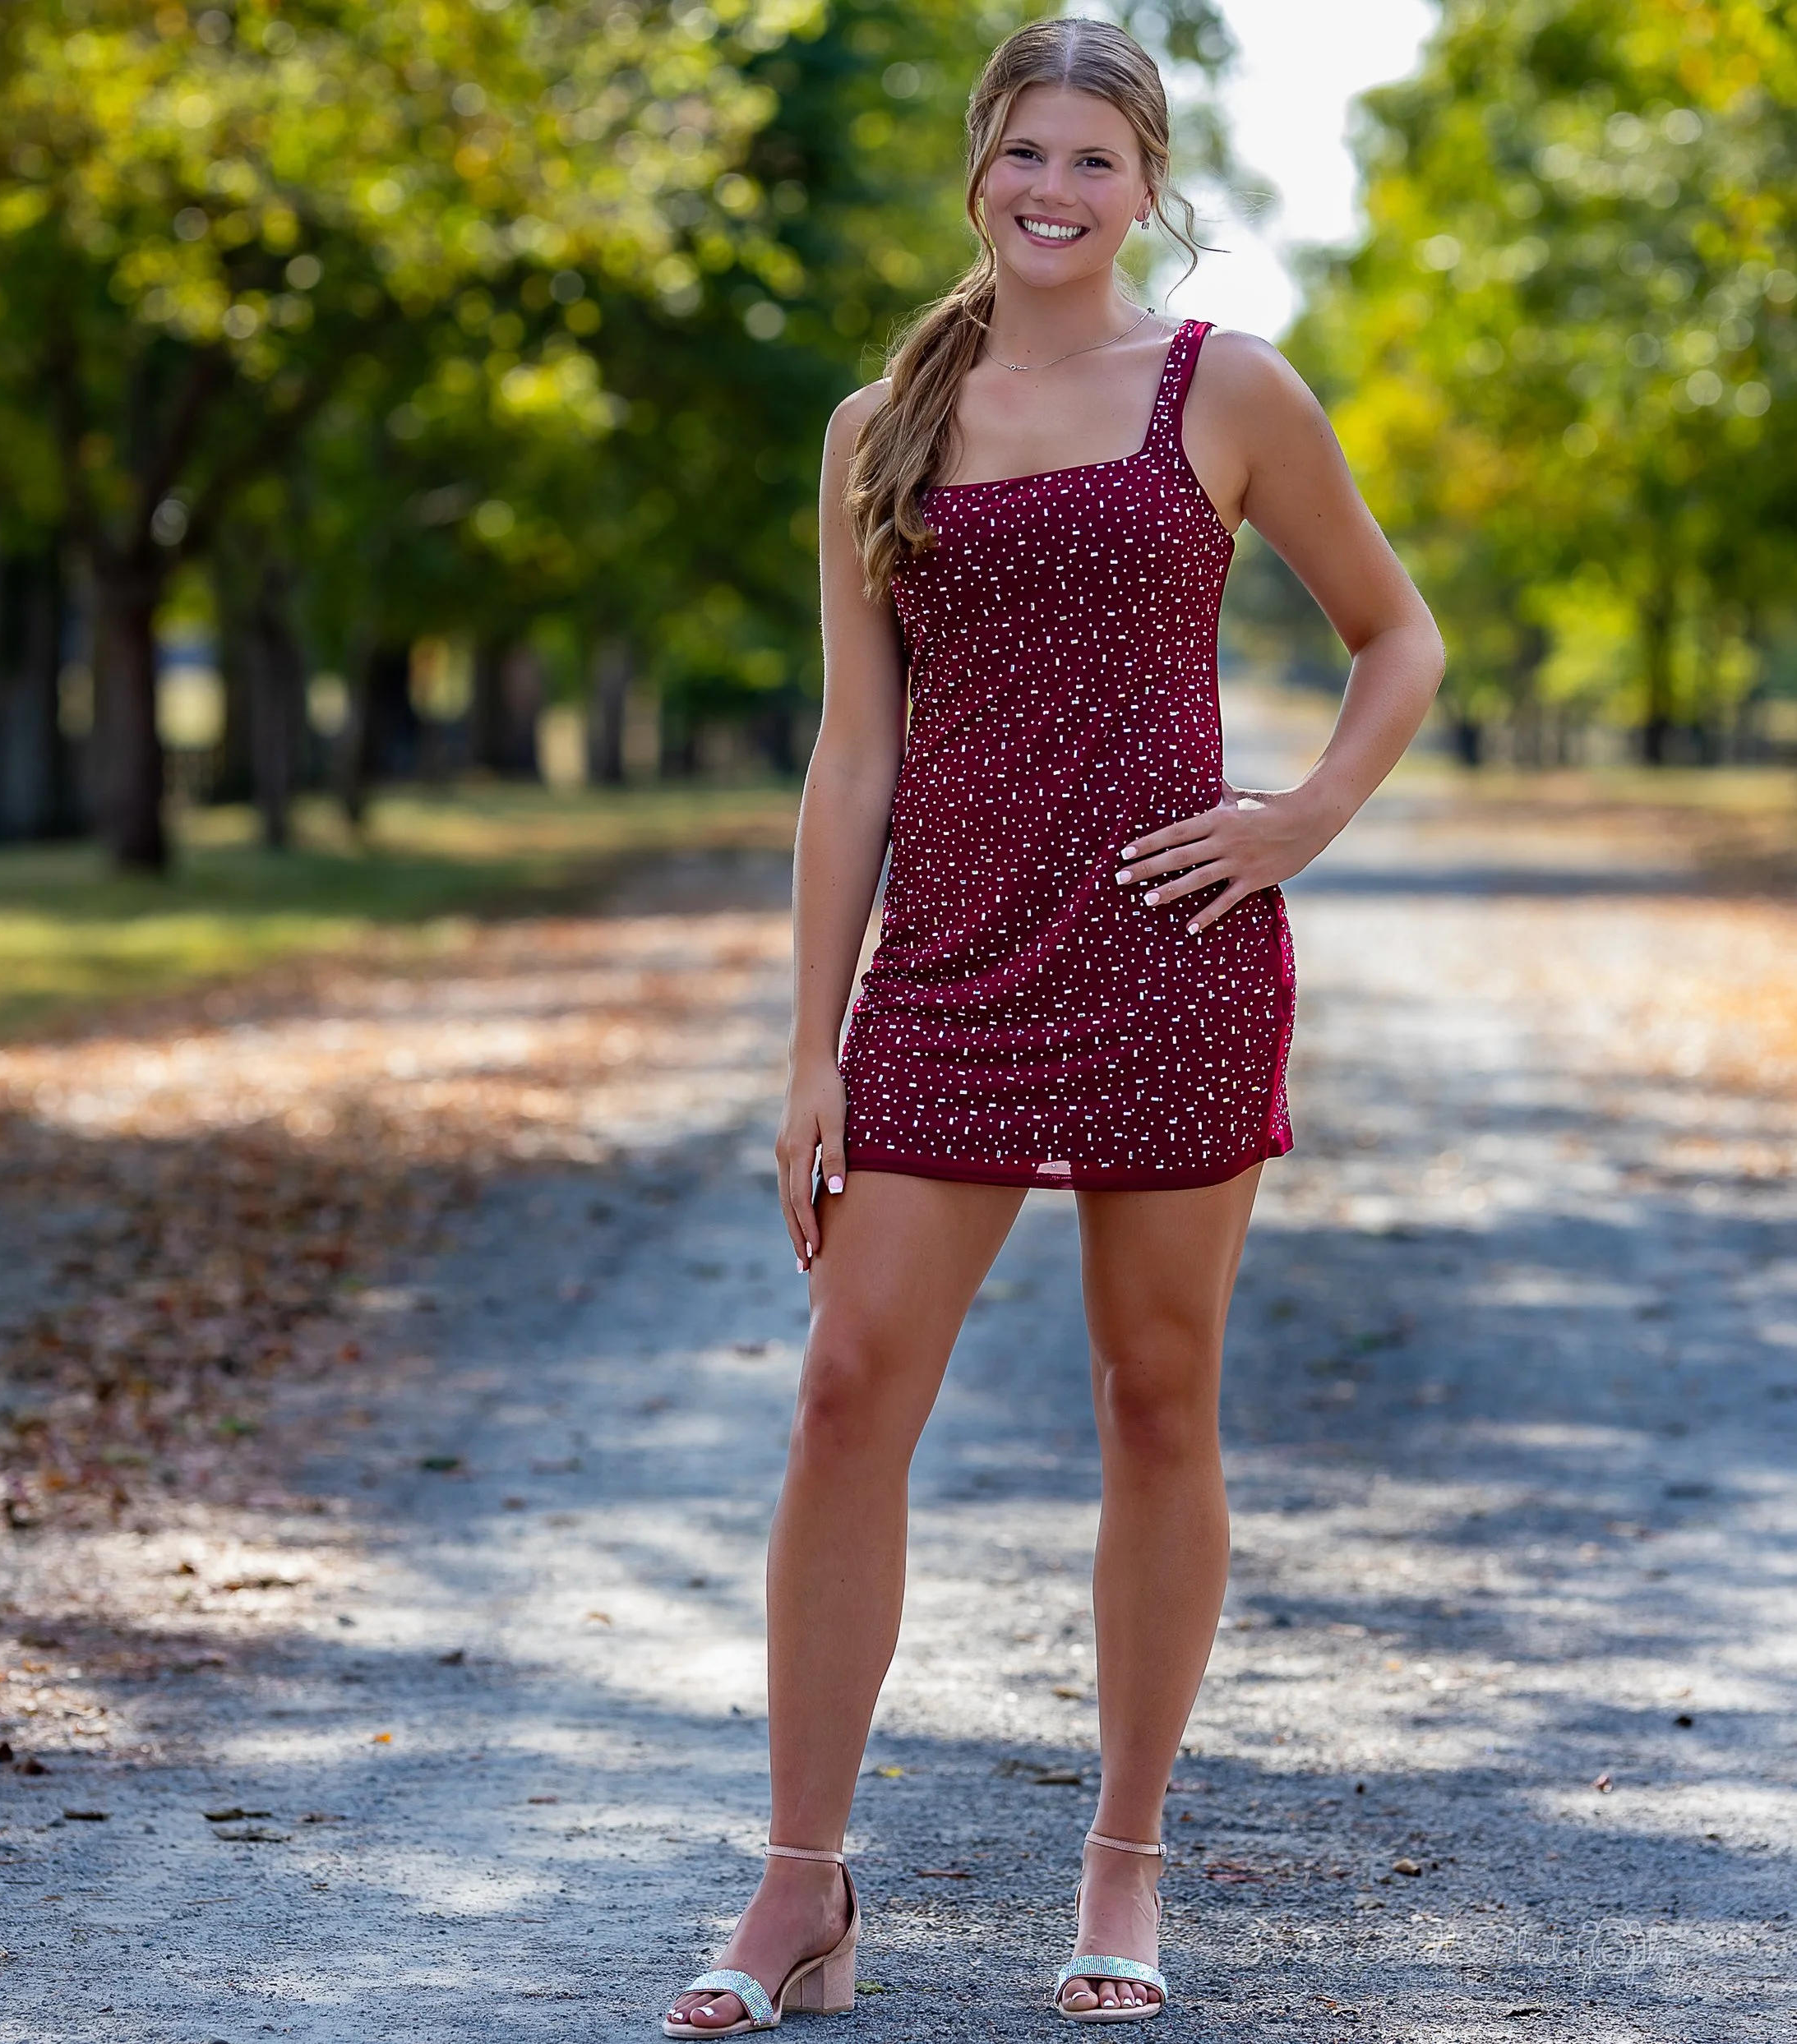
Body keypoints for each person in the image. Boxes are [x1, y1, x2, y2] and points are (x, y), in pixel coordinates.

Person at [663, 14, 1443, 2033]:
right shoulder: (876, 424)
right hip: (942, 974)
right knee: (845, 1392)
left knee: (1149, 1400)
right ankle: (796, 1889)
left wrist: (1300, 818)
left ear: (1147, 189)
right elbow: (852, 758)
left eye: (1095, 162)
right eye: (1026, 152)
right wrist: (811, 1046)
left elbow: (1395, 634)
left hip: (1170, 958)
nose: (1053, 191)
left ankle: (1122, 1866)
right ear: (978, 166)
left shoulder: (1227, 390)